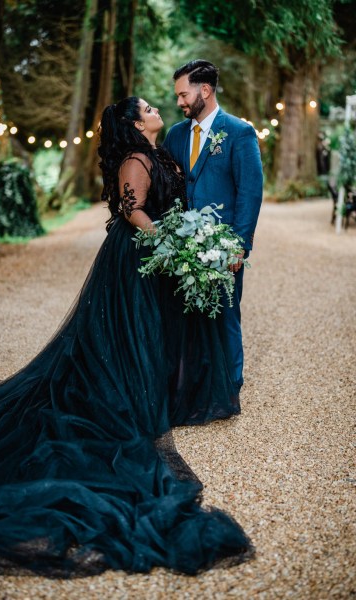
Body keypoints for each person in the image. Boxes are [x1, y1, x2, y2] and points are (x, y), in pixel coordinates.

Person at [0, 97, 251, 576]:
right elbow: (132, 210)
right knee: (128, 335)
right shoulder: (136, 160)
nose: (159, 108)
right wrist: (171, 246)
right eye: (150, 107)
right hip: (134, 262)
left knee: (152, 334)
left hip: (154, 256)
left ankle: (154, 391)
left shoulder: (160, 154)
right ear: (136, 122)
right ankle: (125, 398)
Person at [164, 60, 263, 400]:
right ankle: (193, 384)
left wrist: (238, 244)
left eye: (183, 94)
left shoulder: (239, 132)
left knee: (225, 313)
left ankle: (229, 387)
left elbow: (250, 191)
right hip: (182, 245)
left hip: (221, 244)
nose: (179, 102)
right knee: (184, 315)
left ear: (204, 90)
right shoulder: (175, 135)